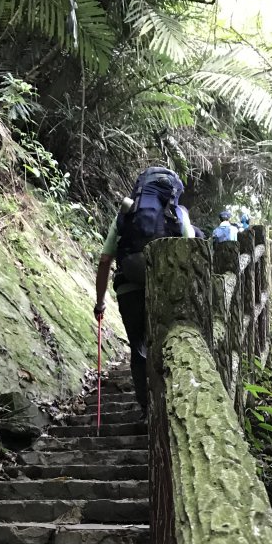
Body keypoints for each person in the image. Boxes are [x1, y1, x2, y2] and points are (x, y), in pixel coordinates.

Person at [94, 167, 195, 418]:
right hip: (165, 287)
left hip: (129, 289)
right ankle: (169, 410)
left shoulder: (127, 213)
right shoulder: (178, 213)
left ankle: (146, 410)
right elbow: (192, 249)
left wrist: (100, 303)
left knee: (139, 349)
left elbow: (106, 259)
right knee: (167, 344)